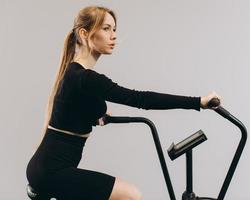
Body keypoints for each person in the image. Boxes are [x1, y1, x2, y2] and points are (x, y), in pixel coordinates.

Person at [26, 5, 221, 200]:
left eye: (114, 29)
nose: (113, 36)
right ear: (85, 33)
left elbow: (72, 111)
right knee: (131, 195)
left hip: (44, 168)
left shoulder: (75, 74)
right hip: (52, 171)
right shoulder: (86, 78)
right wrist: (199, 102)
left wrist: (97, 116)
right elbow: (140, 99)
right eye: (106, 28)